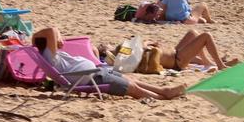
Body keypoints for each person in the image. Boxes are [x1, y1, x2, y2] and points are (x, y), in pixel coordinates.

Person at [32, 26, 184, 101]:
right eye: (58, 40)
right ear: (48, 43)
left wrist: (56, 38)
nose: (61, 42)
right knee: (132, 88)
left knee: (132, 80)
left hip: (95, 73)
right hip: (89, 78)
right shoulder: (48, 55)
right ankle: (161, 98)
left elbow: (48, 33)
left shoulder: (50, 55)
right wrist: (56, 36)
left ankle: (164, 90)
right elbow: (51, 30)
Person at [149, 30, 237, 71]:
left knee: (193, 33)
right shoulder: (141, 53)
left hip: (175, 53)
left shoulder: (142, 49)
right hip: (177, 60)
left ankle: (208, 62)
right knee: (206, 36)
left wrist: (151, 43)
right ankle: (220, 65)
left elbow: (145, 43)